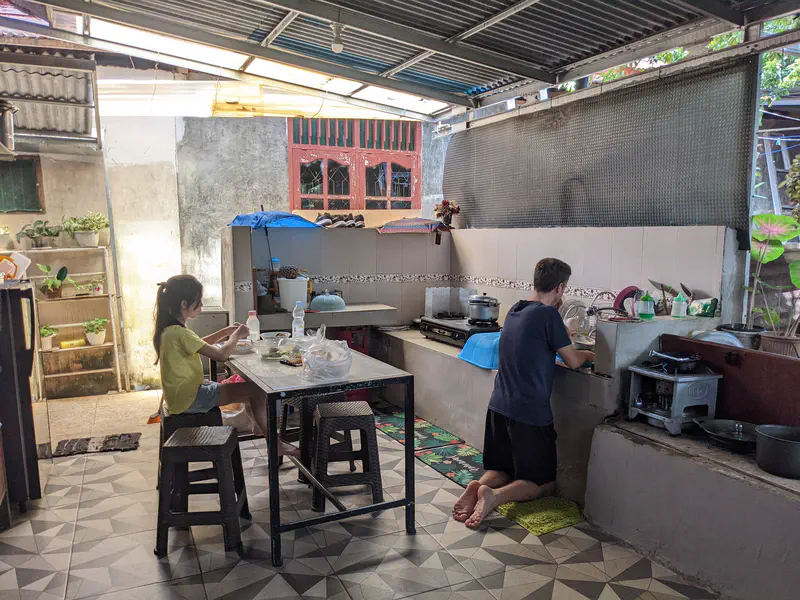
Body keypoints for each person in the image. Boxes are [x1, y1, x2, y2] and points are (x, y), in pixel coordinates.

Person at [452, 258, 594, 527]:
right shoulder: (548, 316)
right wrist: (590, 353)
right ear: (561, 287)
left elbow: (545, 339)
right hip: (528, 414)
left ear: (535, 282)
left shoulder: (517, 309)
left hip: (498, 408)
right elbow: (574, 360)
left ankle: (478, 486)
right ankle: (493, 496)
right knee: (542, 483)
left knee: (502, 469)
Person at [154, 274, 298, 456]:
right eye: (199, 301)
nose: (202, 305)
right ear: (184, 304)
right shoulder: (179, 332)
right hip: (190, 398)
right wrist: (235, 337)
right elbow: (221, 355)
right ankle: (273, 442)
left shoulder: (169, 330)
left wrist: (226, 332)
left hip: (180, 397)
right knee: (256, 391)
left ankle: (261, 429)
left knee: (250, 390)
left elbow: (199, 343)